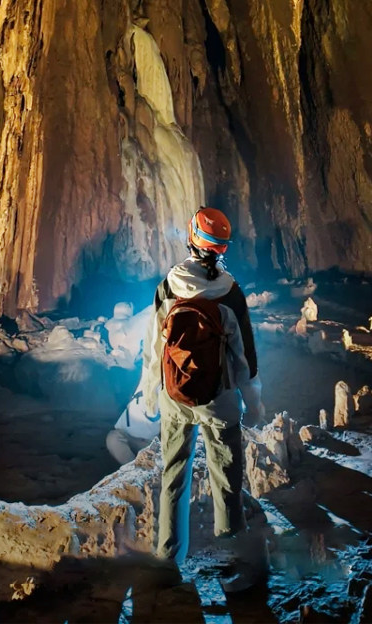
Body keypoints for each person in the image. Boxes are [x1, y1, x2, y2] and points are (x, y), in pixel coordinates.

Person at [140, 206, 264, 586]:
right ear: (222, 248)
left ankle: (168, 558)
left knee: (173, 475)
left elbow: (154, 349)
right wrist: (254, 401)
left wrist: (150, 395)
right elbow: (244, 357)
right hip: (219, 400)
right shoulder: (230, 293)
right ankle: (231, 561)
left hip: (175, 396)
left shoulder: (168, 287)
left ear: (192, 239)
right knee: (226, 478)